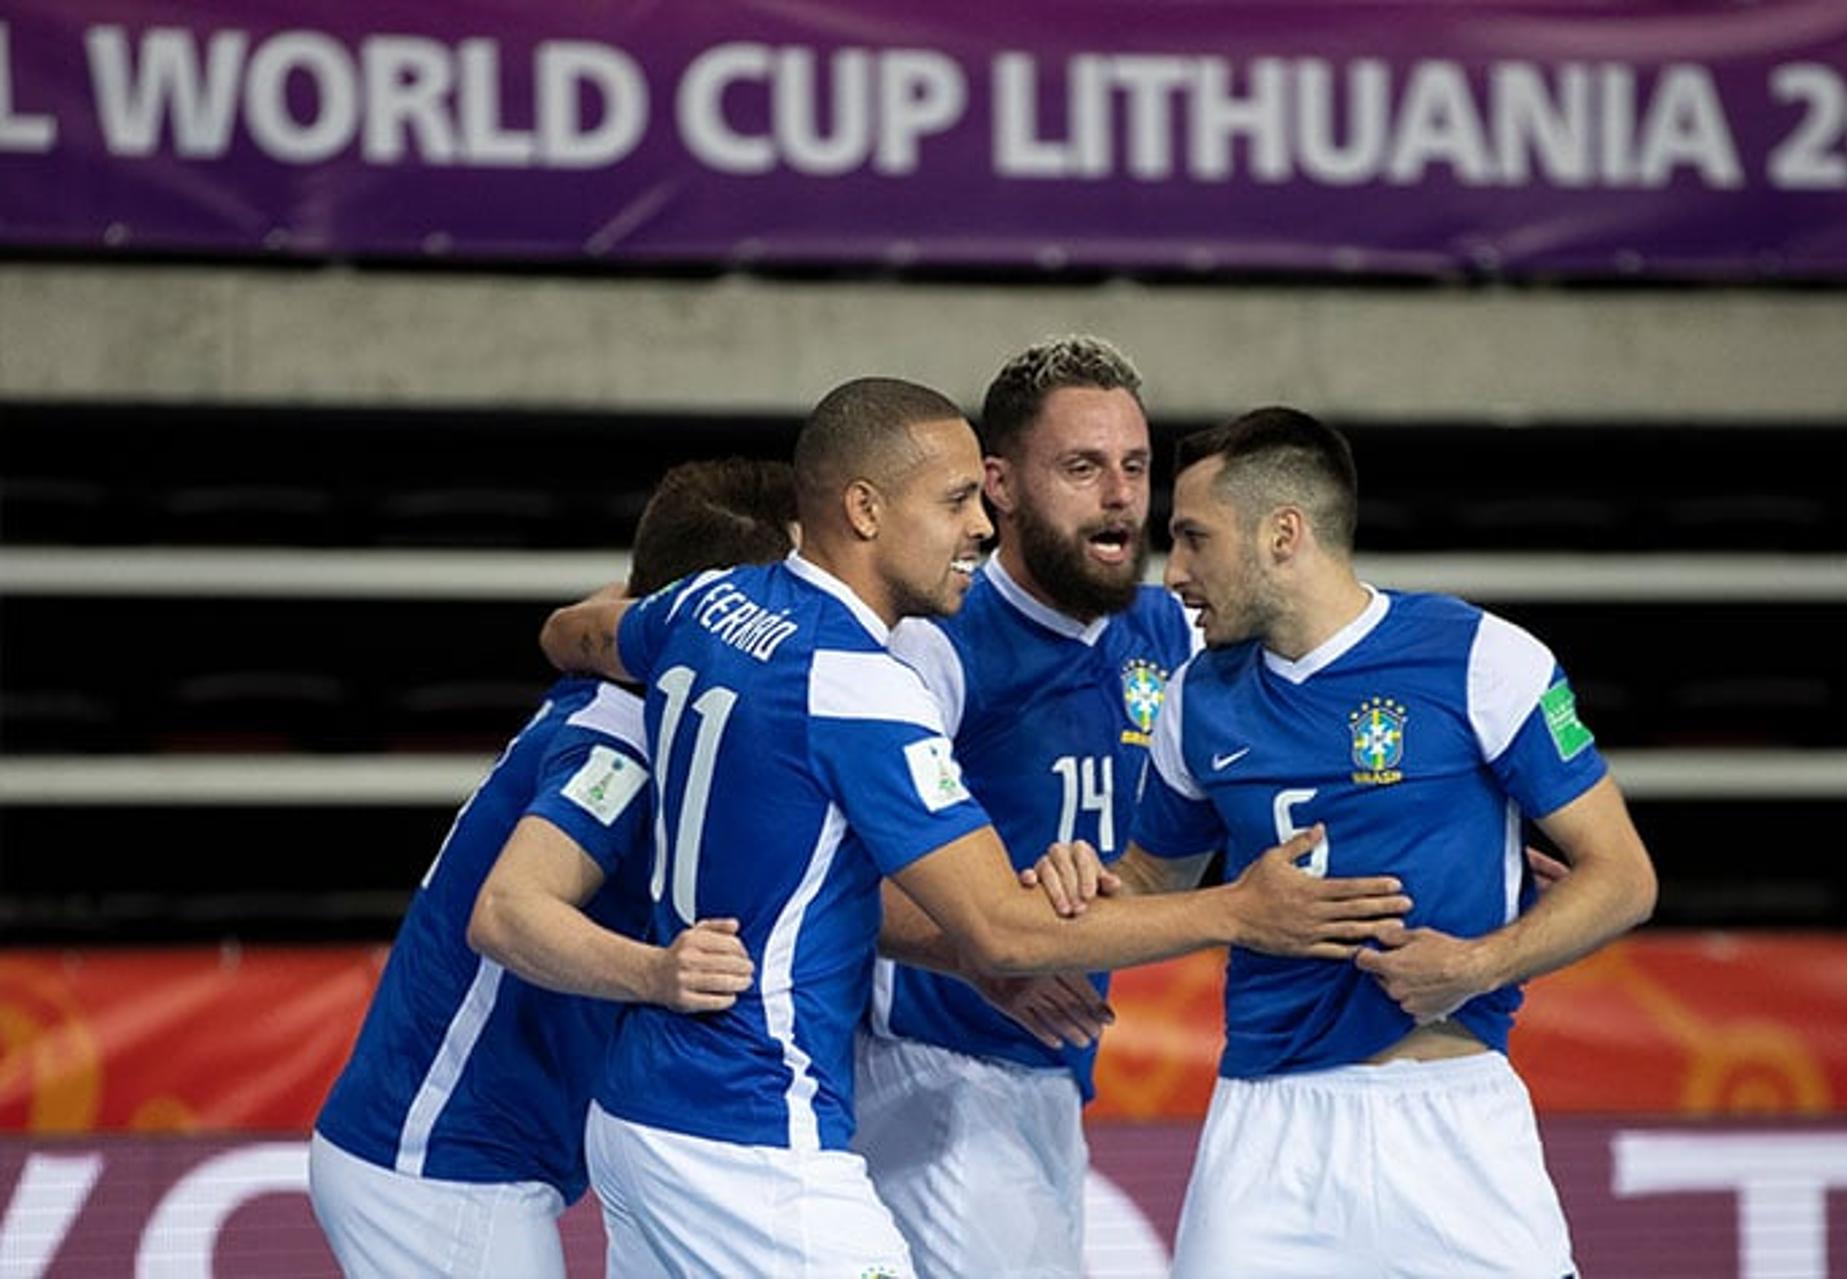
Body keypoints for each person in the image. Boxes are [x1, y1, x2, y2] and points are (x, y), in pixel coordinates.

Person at [534, 378, 1414, 1277]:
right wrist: (1241, 911)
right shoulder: (864, 683)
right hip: (764, 1115)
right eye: (957, 500)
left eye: (1136, 466)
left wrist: (565, 638)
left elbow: (585, 635)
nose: (981, 526)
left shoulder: (711, 604)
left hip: (644, 1109)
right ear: (866, 509)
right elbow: (996, 926)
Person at [1060, 407, 1658, 1276]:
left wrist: (1481, 963)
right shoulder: (1195, 699)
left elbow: (1625, 876)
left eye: (1194, 538)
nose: (1175, 572)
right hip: (1269, 1126)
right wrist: (1077, 889)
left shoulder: (1482, 657)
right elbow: (1155, 877)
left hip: (1452, 1115)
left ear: (1283, 534)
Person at [307, 457, 795, 1278]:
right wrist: (661, 971)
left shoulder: (648, 680)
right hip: (444, 1167)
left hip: (451, 1158)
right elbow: (505, 913)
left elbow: (608, 603)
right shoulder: (626, 740)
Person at [851, 336, 1198, 1278]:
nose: (1121, 494)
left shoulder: (1167, 631)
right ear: (998, 484)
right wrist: (981, 954)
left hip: (1050, 1069)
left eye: (1134, 465)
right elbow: (838, 866)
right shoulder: (937, 643)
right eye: (1082, 468)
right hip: (929, 1066)